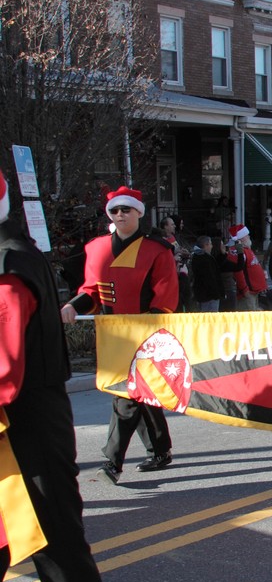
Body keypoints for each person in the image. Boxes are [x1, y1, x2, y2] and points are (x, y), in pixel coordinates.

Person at [0, 171, 106, 582]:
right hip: (21, 419)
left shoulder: (9, 263)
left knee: (56, 542)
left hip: (26, 423)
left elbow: (5, 367)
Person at [60, 186, 177, 485]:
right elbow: (91, 292)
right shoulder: (96, 248)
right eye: (115, 210)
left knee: (125, 396)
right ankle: (160, 450)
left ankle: (112, 461)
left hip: (145, 334)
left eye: (126, 209)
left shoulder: (157, 248)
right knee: (141, 395)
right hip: (111, 334)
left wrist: (151, 329)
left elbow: (166, 295)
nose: (121, 214)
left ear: (138, 212)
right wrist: (73, 306)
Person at [227, 224, 267, 311]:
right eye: (246, 235)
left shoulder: (246, 250)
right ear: (241, 238)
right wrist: (245, 290)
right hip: (248, 292)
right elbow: (238, 272)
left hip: (253, 291)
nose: (249, 236)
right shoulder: (237, 252)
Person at [189, 235, 223, 312]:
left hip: (204, 295)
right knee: (211, 320)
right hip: (209, 297)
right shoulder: (204, 259)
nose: (212, 246)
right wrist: (216, 294)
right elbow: (209, 278)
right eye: (210, 244)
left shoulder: (199, 257)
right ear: (206, 245)